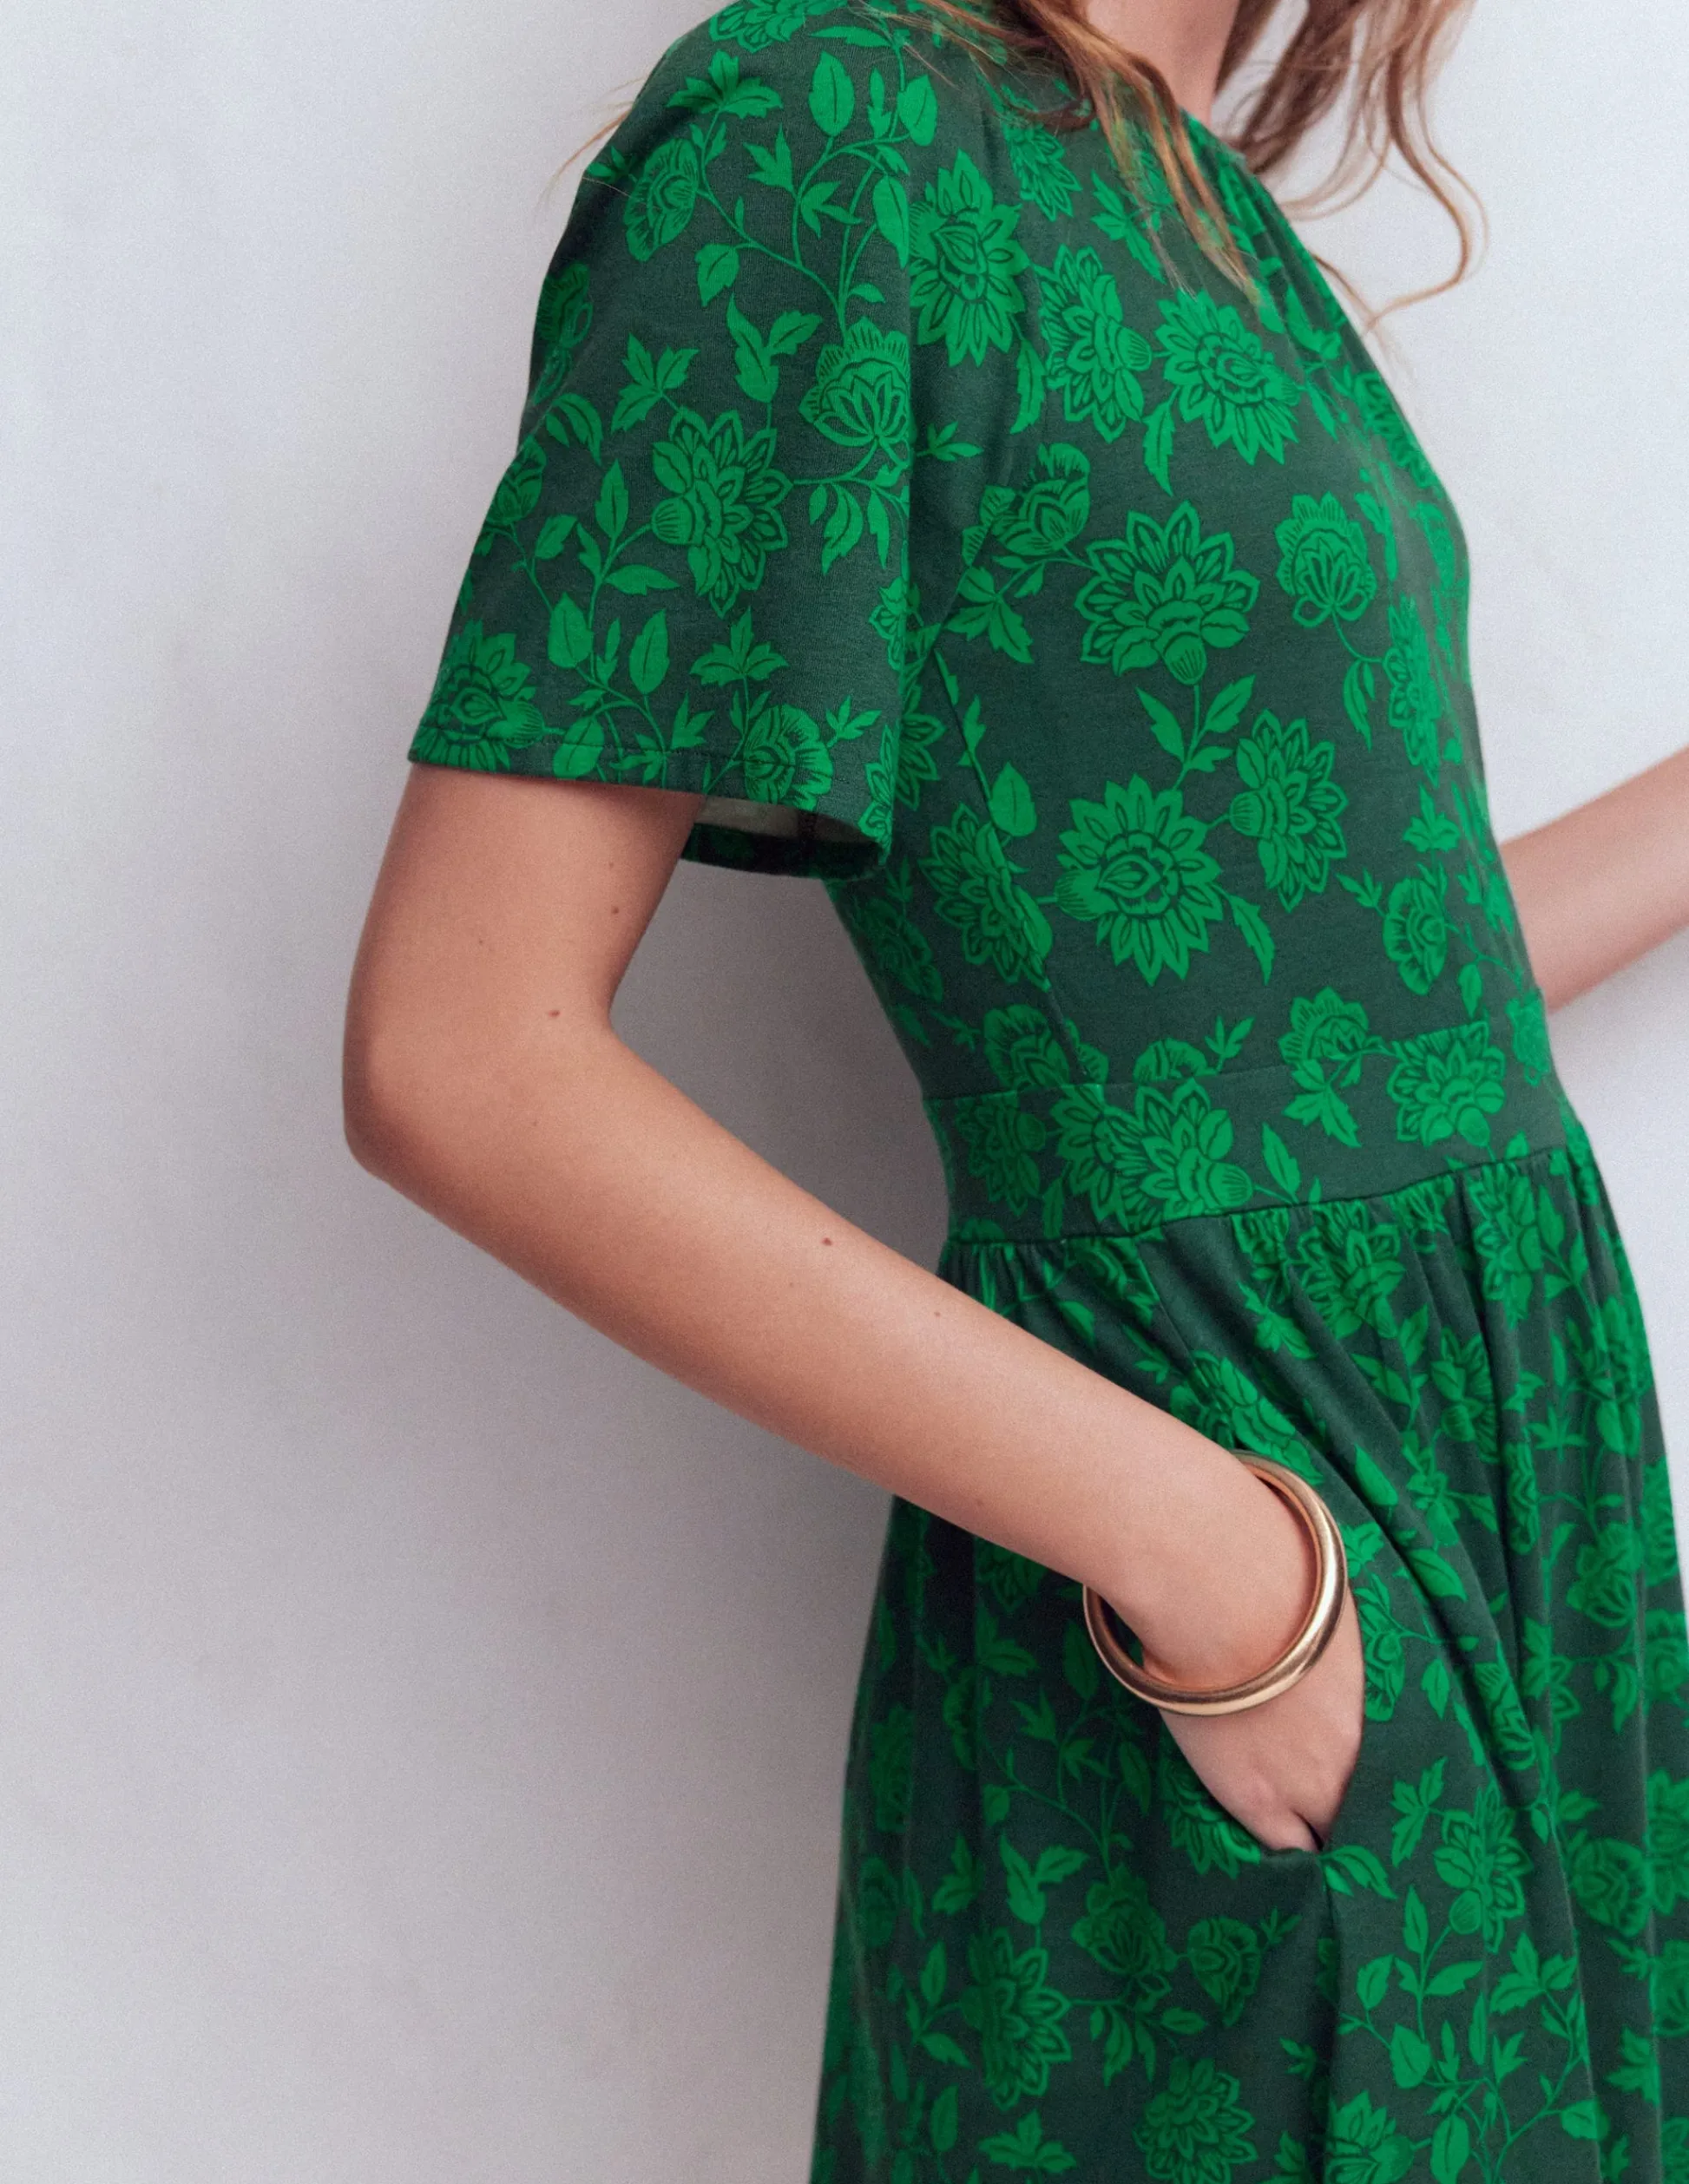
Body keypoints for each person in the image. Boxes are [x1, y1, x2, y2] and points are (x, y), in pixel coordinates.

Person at [343, 0, 1689, 2173]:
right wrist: (1221, 1564)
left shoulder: (1192, 195)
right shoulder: (822, 132)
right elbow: (460, 1051)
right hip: (1234, 1519)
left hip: (1512, 1487)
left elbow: (1343, 1010)